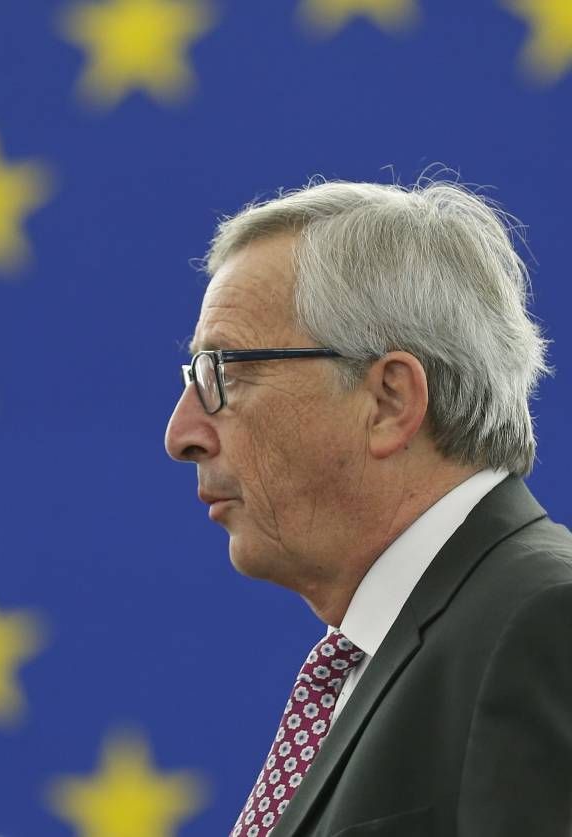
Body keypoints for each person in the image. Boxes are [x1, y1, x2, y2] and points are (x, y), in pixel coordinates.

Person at [164, 180, 572, 837]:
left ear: (388, 401)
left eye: (226, 373)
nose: (181, 433)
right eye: (196, 377)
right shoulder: (413, 643)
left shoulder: (547, 623)